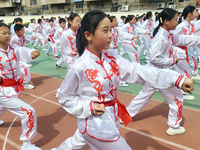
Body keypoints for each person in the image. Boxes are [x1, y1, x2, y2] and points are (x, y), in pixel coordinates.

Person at [52, 10, 193, 150]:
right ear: (88, 35)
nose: (111, 35)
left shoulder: (112, 58)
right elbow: (65, 97)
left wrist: (176, 79)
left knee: (74, 143)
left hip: (108, 118)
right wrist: (89, 107)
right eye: (105, 31)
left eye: (111, 30)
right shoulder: (80, 66)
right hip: (97, 123)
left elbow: (139, 71)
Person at [126, 8, 200, 136]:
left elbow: (183, 39)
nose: (177, 22)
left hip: (155, 73)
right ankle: (174, 126)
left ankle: (125, 116)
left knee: (143, 97)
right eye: (175, 19)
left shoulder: (168, 34)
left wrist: (197, 40)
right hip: (161, 74)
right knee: (177, 97)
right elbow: (154, 59)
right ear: (166, 21)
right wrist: (172, 60)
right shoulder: (161, 37)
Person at [0, 23, 41, 150]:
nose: (7, 35)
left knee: (2, 108)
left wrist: (32, 52)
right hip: (3, 90)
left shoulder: (13, 48)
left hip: (15, 87)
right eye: (4, 33)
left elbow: (22, 50)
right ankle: (26, 143)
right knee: (29, 112)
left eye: (9, 33)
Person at [10, 24, 36, 89]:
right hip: (15, 58)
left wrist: (33, 37)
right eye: (22, 30)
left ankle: (17, 82)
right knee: (26, 67)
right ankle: (26, 83)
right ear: (17, 32)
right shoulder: (13, 39)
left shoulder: (22, 37)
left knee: (20, 70)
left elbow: (28, 37)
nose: (23, 32)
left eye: (23, 30)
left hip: (21, 57)